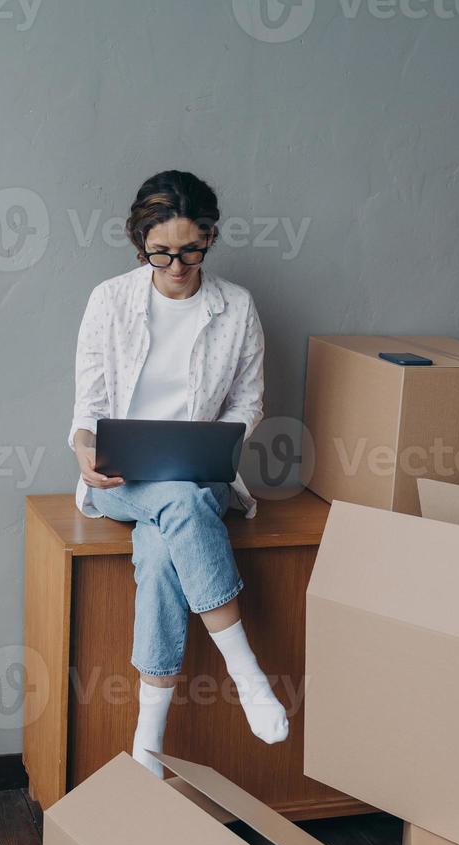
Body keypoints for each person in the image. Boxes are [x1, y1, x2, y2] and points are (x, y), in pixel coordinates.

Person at [68, 170, 288, 778]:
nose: (176, 264)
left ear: (211, 237)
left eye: (191, 249)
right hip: (122, 484)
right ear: (141, 244)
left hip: (200, 478)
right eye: (160, 252)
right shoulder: (109, 301)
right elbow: (87, 410)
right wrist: (85, 449)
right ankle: (246, 673)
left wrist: (223, 442)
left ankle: (150, 738)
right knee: (178, 505)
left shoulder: (236, 307)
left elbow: (248, 403)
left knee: (166, 546)